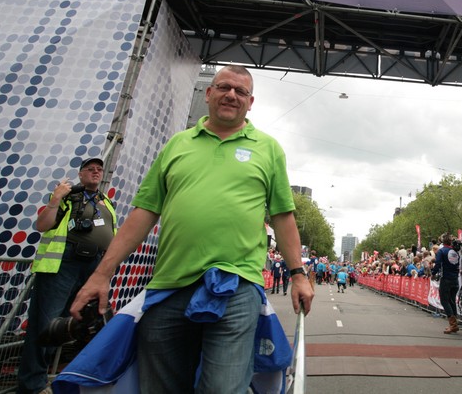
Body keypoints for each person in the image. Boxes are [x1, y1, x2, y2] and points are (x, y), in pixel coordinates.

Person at [69, 65, 314, 393]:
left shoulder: (268, 149)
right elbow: (144, 213)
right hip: (169, 285)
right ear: (209, 93)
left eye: (241, 91)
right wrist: (101, 274)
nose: (231, 95)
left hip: (236, 285)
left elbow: (283, 217)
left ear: (250, 102)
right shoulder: (177, 145)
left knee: (223, 388)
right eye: (224, 87)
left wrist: (298, 274)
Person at [16, 157, 117, 394]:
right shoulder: (68, 197)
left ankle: (69, 377)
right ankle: (33, 385)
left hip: (94, 265)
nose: (95, 172)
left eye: (99, 169)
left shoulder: (106, 202)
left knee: (85, 322)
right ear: (80, 174)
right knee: (46, 323)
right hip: (64, 263)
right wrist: (55, 199)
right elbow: (42, 225)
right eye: (90, 169)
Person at [432, 233, 461, 334]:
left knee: (444, 301)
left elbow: (438, 264)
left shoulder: (442, 251)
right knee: (452, 301)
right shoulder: (455, 251)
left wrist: (433, 273)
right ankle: (454, 323)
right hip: (455, 279)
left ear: (442, 241)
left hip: (446, 278)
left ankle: (453, 324)